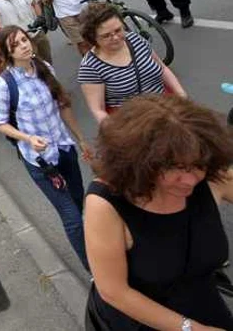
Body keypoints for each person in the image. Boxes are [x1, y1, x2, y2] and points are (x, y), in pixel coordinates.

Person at [84, 95, 233, 330]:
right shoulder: (105, 204)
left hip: (200, 303)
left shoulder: (210, 178)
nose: (192, 180)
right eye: (176, 168)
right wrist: (191, 329)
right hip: (140, 319)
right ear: (141, 163)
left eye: (199, 166)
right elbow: (114, 292)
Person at [0, 25, 92, 270]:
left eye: (24, 40)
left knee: (79, 203)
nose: (24, 46)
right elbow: (0, 123)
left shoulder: (45, 69)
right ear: (8, 53)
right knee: (72, 218)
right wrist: (27, 138)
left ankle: (93, 247)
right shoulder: (5, 84)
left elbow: (63, 105)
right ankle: (94, 271)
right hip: (41, 162)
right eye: (15, 45)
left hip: (64, 149)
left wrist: (81, 139)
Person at [78, 3, 186, 123]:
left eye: (118, 30)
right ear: (93, 38)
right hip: (134, 124)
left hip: (167, 108)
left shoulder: (135, 40)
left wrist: (182, 97)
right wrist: (118, 134)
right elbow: (98, 110)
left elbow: (163, 69)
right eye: (106, 36)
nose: (116, 38)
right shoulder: (90, 67)